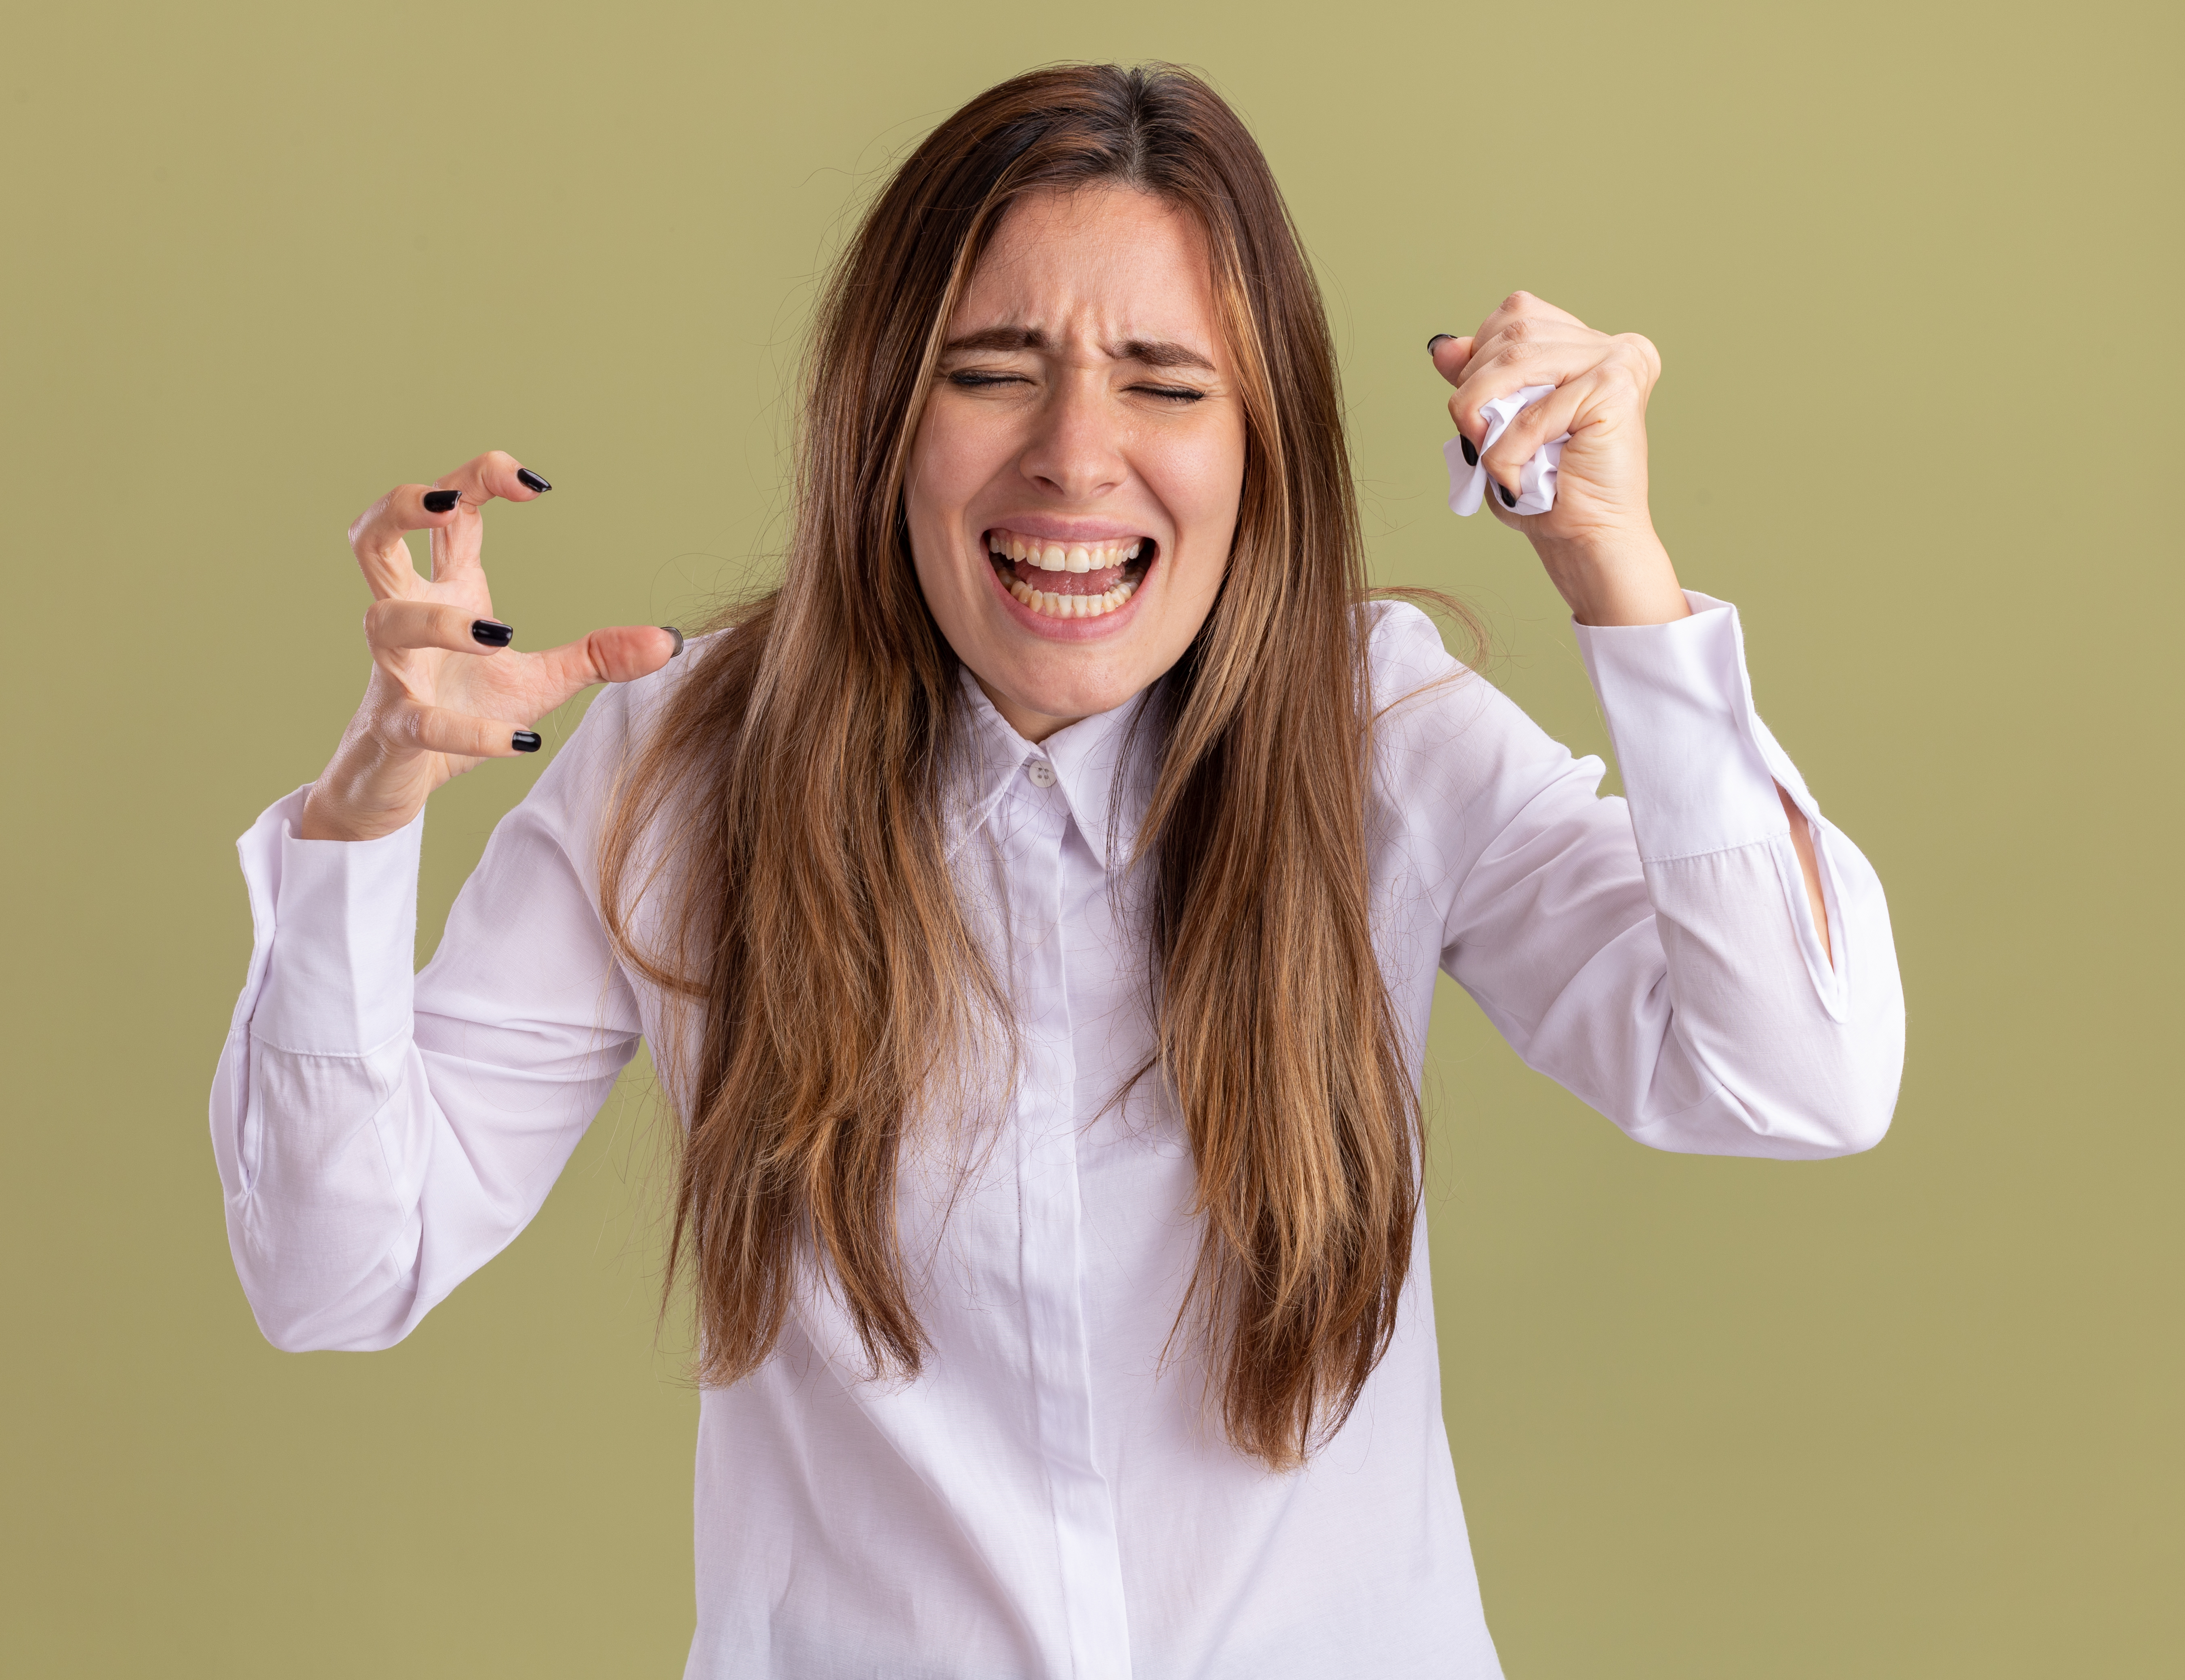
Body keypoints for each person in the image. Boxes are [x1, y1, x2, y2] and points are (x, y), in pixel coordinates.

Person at [209, 61, 1903, 1680]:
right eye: (993, 368)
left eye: (1167, 383)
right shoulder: (682, 763)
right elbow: (335, 1267)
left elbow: (1797, 1074)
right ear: (883, 415)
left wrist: (1618, 570)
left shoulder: (1379, 725)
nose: (1078, 458)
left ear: (1261, 448)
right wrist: (369, 810)